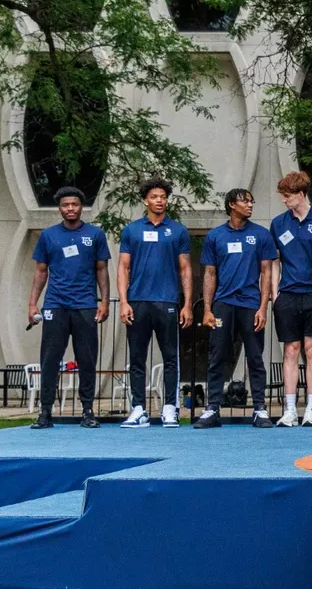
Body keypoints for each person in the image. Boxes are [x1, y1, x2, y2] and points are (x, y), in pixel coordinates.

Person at [27, 186, 110, 429]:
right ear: (60, 208)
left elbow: (101, 269)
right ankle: (45, 412)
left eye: (74, 204)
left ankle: (87, 411)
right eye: (65, 205)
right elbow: (41, 271)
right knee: (50, 360)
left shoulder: (95, 234)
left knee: (87, 360)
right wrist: (32, 304)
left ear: (81, 207)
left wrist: (104, 301)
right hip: (55, 305)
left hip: (85, 305)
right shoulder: (48, 235)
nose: (70, 208)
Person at [194, 189, 277, 429]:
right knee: (218, 355)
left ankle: (259, 409)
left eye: (252, 201)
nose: (250, 205)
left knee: (255, 357)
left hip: (250, 304)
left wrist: (263, 307)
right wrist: (207, 309)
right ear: (231, 204)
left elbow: (266, 272)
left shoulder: (260, 234)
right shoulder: (215, 236)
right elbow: (210, 273)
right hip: (223, 303)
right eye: (245, 201)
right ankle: (212, 408)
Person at [116, 178, 191, 428]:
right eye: (155, 197)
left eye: (163, 197)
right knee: (137, 358)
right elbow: (123, 267)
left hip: (167, 301)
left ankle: (170, 408)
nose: (160, 201)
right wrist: (124, 302)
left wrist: (187, 304)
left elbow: (185, 269)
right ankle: (138, 409)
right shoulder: (131, 230)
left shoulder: (178, 230)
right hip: (137, 301)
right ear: (145, 201)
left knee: (170, 357)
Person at [270, 171, 312, 426]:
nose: (284, 200)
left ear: (301, 194)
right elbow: (274, 260)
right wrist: (275, 294)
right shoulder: (278, 223)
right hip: (287, 294)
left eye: (287, 196)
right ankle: (289, 410)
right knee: (290, 350)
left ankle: (311, 409)